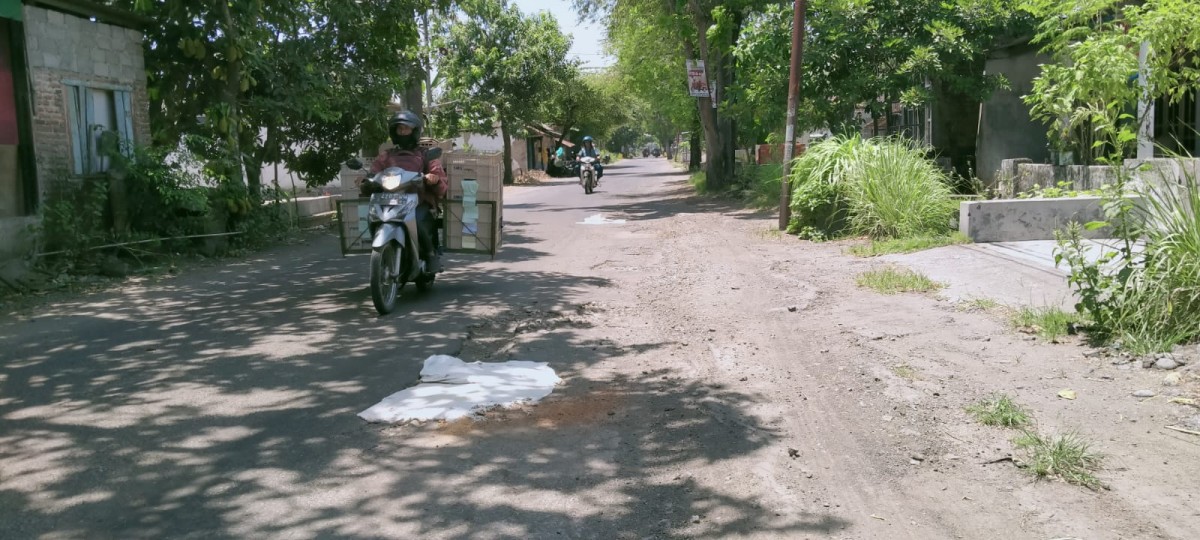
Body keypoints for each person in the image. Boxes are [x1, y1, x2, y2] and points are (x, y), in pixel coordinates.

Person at [361, 110, 448, 273]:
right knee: (373, 217)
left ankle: (430, 256)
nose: (402, 132)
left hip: (417, 201)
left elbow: (440, 179)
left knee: (420, 221)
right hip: (388, 200)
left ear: (414, 131)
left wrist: (433, 178)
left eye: (406, 129)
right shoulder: (386, 156)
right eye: (399, 129)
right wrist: (368, 181)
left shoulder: (425, 154)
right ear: (394, 132)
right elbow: (373, 172)